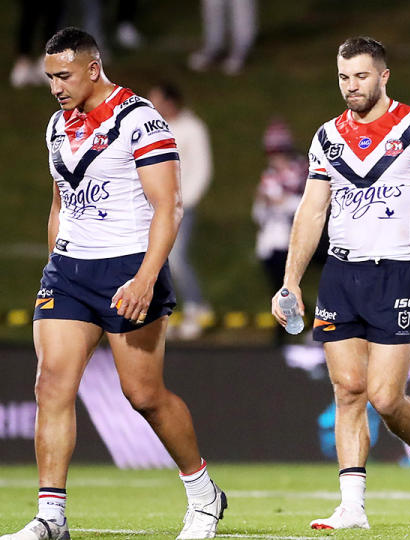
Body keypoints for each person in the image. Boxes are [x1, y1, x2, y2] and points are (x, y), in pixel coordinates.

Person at [2, 28, 225, 540]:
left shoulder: (140, 120)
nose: (55, 87)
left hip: (128, 268)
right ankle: (51, 518)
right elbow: (60, 203)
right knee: (51, 385)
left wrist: (147, 277)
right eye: (49, 77)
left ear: (93, 68)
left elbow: (169, 205)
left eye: (64, 75)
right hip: (69, 272)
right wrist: (55, 260)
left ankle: (203, 495)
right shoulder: (58, 125)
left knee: (143, 395)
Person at [271, 36, 410, 531]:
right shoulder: (328, 136)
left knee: (384, 396)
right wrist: (290, 280)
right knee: (347, 389)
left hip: (398, 271)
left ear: (383, 76)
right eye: (343, 77)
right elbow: (311, 211)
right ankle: (352, 505)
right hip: (341, 272)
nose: (351, 86)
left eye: (360, 76)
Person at [148, 82, 214, 340]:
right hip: (153, 207)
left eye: (155, 99)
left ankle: (198, 308)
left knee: (176, 260)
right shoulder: (153, 128)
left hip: (179, 207)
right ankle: (168, 313)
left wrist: (183, 202)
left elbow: (202, 169)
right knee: (157, 262)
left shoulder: (193, 129)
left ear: (170, 101)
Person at [253, 118, 308, 344]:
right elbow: (258, 214)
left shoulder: (301, 170)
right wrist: (266, 203)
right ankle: (287, 328)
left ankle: (306, 321)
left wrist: (282, 203)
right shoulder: (269, 177)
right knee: (278, 287)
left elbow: (310, 205)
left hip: (300, 238)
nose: (276, 157)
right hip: (273, 241)